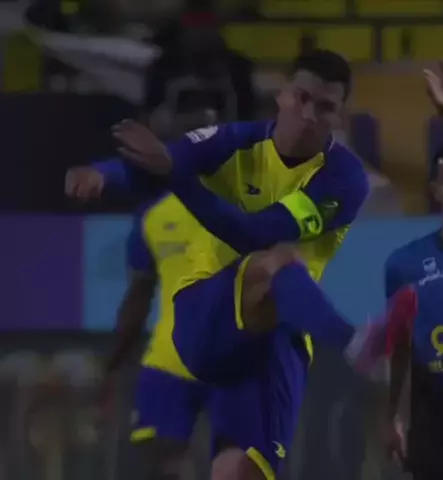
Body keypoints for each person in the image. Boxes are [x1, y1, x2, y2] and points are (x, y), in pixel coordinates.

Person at [66, 49, 396, 480]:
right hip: (206, 314)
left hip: (277, 340)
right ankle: (355, 343)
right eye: (301, 98)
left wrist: (176, 177)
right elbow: (162, 161)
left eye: (325, 106)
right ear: (281, 96)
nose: (309, 115)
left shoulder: (344, 179)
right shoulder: (234, 143)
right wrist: (103, 174)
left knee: (242, 471)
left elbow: (256, 230)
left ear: (340, 116)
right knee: (278, 260)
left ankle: (355, 347)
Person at [385, 64, 443, 480]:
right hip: (436, 441)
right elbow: (399, 349)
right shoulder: (403, 264)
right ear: (435, 191)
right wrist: (392, 415)